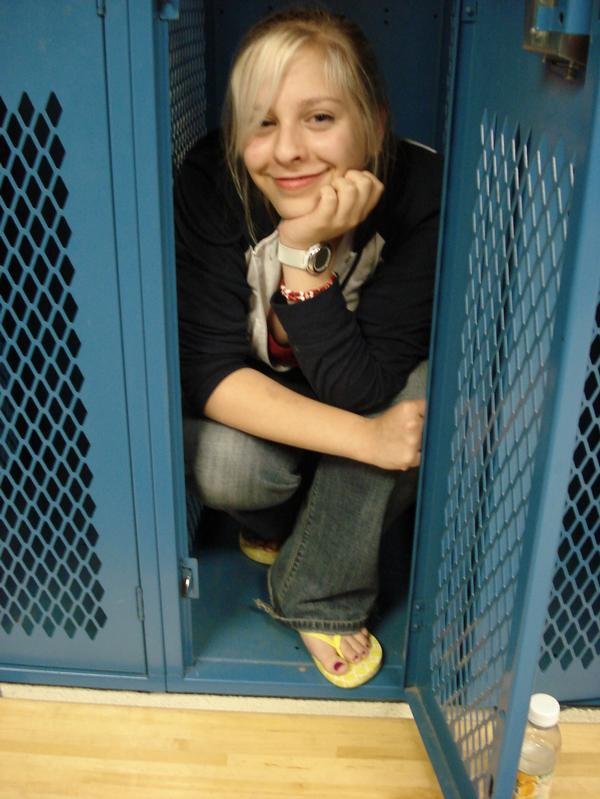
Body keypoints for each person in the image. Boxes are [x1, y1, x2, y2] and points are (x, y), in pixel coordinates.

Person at [175, 6, 442, 688]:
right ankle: (282, 522)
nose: (287, 150)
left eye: (319, 118)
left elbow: (367, 387)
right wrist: (368, 440)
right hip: (276, 425)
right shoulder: (212, 179)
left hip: (361, 398)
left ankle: (316, 587)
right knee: (227, 464)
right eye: (262, 122)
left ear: (373, 124)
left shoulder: (421, 191)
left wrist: (302, 262)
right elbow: (208, 374)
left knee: (429, 392)